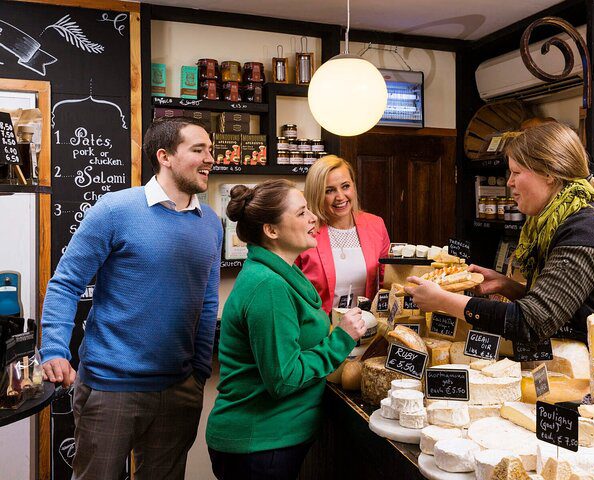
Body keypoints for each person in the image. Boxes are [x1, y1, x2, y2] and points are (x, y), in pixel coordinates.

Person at [40, 116, 223, 480]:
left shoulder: (211, 223)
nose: (210, 159)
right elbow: (65, 283)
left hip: (179, 389)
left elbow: (206, 302)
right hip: (110, 388)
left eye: (211, 151)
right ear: (165, 156)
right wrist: (54, 350)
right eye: (198, 150)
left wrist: (199, 372)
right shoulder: (115, 209)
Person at [405, 122, 594, 345]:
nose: (509, 182)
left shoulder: (587, 229)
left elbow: (533, 322)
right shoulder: (558, 221)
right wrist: (507, 285)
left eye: (516, 172)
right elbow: (561, 305)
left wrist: (442, 300)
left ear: (550, 174)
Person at [206, 180, 366, 480]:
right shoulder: (268, 287)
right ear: (272, 230)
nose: (313, 218)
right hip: (259, 445)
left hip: (272, 441)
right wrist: (341, 339)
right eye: (302, 213)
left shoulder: (283, 273)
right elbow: (284, 378)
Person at [297, 155, 390, 314]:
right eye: (329, 190)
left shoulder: (375, 225)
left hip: (366, 328)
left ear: (353, 186)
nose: (340, 197)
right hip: (322, 332)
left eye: (345, 186)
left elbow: (386, 282)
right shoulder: (304, 232)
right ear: (317, 194)